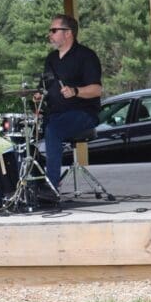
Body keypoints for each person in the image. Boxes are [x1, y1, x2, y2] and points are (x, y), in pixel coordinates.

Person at [37, 14, 102, 195]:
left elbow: (97, 90)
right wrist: (37, 96)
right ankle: (30, 185)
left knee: (54, 130)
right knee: (25, 133)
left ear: (68, 33)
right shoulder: (51, 59)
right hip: (55, 114)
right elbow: (44, 86)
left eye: (54, 30)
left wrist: (76, 91)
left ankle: (51, 187)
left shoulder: (86, 56)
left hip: (83, 114)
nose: (50, 34)